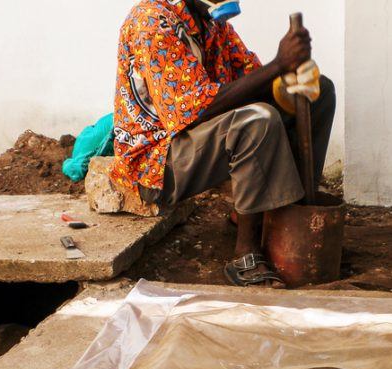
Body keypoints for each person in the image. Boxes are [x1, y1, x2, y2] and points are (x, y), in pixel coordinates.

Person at [110, 0, 336, 287]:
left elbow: (251, 77)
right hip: (157, 162)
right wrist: (279, 63)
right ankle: (245, 254)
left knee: (320, 92)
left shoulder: (211, 22)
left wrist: (290, 75)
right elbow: (192, 111)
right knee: (256, 121)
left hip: (195, 138)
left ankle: (291, 219)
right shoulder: (152, 22)